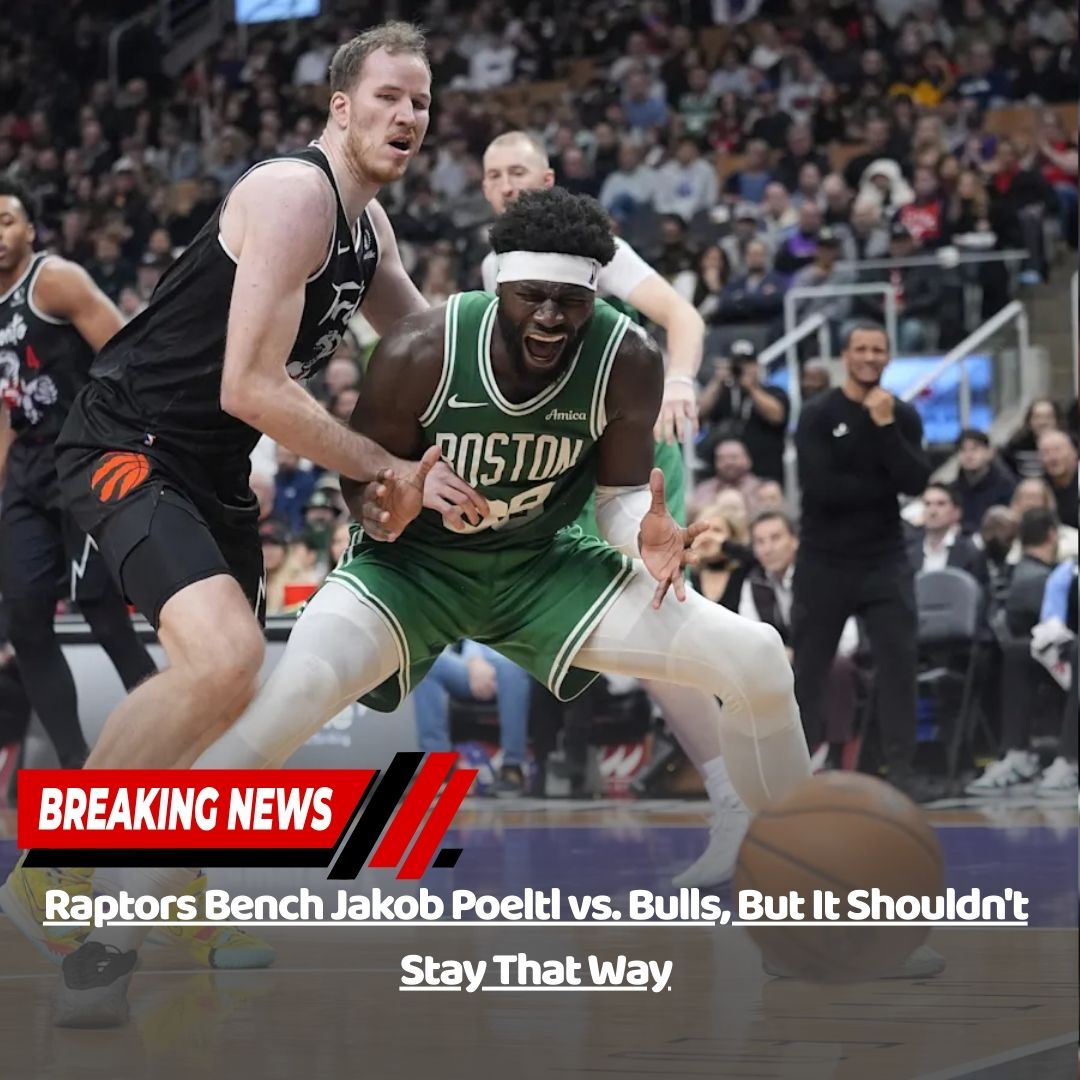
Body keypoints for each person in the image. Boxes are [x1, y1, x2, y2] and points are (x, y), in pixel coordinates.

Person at [50, 189, 817, 1026]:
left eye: (570, 300)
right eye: (533, 297)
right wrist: (392, 502)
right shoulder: (421, 348)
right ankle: (109, 941)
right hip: (410, 570)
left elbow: (620, 501)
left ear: (594, 295)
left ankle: (807, 914)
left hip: (542, 567)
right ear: (498, 288)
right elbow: (364, 491)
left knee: (756, 657)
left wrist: (644, 533)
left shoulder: (625, 356)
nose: (551, 317)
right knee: (279, 709)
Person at [2, 22, 486, 977]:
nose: (408, 115)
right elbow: (251, 388)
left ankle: (171, 892)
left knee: (223, 700)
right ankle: (51, 868)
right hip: (130, 441)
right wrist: (384, 469)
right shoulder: (293, 193)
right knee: (225, 660)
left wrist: (531, 391)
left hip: (214, 468)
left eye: (422, 102)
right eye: (388, 96)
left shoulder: (370, 229)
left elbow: (429, 349)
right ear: (340, 107)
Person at [479, 134, 740, 887]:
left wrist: (681, 382)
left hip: (633, 458)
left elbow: (683, 317)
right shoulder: (496, 269)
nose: (506, 185)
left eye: (518, 172)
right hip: (564, 457)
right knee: (596, 626)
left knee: (657, 628)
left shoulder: (595, 252)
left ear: (547, 178)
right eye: (493, 175)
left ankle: (737, 796)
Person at [0, 178, 157, 774]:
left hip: (83, 457)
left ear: (30, 229)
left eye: (6, 221)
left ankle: (173, 746)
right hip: (27, 470)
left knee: (102, 610)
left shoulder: (54, 280)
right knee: (25, 622)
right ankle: (76, 767)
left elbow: (126, 352)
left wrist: (131, 443)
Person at [792, 323, 935, 802]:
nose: (870, 357)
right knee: (809, 670)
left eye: (878, 349)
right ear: (845, 356)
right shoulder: (817, 414)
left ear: (888, 357)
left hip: (884, 560)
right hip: (824, 560)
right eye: (861, 349)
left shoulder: (901, 415)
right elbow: (823, 489)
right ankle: (794, 774)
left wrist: (886, 428)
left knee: (899, 664)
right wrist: (882, 482)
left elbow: (916, 482)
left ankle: (902, 772)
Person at [741, 511, 861, 771]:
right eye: (760, 542)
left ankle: (834, 754)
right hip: (782, 662)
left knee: (837, 667)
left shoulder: (820, 575)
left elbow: (849, 638)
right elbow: (748, 636)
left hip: (827, 660)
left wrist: (805, 655)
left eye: (775, 538)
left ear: (794, 541)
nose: (768, 548)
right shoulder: (754, 583)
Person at [966, 508, 1063, 794]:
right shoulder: (1046, 576)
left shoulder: (1023, 575)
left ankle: (1070, 760)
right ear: (1052, 535)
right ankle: (1017, 754)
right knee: (1019, 652)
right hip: (1051, 656)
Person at [411, 640, 532, 796]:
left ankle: (512, 768)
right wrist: (474, 660)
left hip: (517, 661)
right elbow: (471, 636)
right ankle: (438, 769)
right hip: (475, 662)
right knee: (428, 663)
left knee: (511, 667)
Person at [697, 339, 789, 485]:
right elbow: (699, 413)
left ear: (757, 366)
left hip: (764, 475)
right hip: (722, 478)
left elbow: (777, 416)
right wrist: (716, 381)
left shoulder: (774, 392)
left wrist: (751, 388)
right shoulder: (722, 393)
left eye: (748, 363)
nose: (743, 368)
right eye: (738, 363)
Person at [906, 483, 988, 582]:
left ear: (956, 512)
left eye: (941, 504)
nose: (932, 511)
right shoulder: (908, 552)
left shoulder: (971, 553)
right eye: (927, 504)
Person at [954, 428, 1016, 533]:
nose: (968, 455)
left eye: (974, 449)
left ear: (989, 452)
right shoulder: (953, 489)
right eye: (963, 450)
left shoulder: (1006, 487)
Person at [1038, 430, 1078, 529]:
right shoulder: (1039, 488)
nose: (1052, 458)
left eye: (1057, 450)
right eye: (1045, 453)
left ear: (1074, 453)